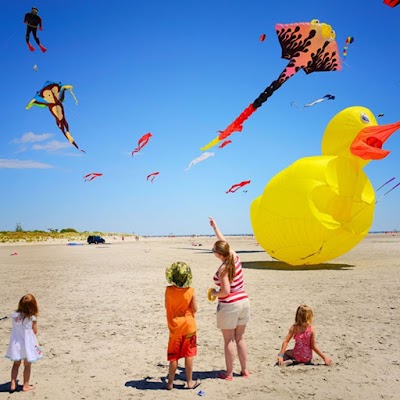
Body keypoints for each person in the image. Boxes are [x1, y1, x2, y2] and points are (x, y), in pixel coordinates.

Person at [208, 217, 250, 380]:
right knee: (240, 338)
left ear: (219, 254)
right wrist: (215, 227)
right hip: (244, 302)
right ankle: (245, 370)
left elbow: (225, 291)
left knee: (228, 341)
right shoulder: (234, 256)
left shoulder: (224, 268)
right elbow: (223, 241)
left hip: (230, 305)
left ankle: (229, 373)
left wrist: (214, 293)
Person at [165, 261, 200, 390]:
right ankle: (190, 382)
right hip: (189, 326)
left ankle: (170, 383)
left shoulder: (168, 290)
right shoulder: (191, 290)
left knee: (173, 356)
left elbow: (167, 306)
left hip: (175, 327)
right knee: (189, 354)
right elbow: (195, 309)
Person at [5, 294, 43, 392]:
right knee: (27, 365)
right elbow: (35, 331)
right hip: (27, 345)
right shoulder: (32, 318)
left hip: (16, 344)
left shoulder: (14, 316)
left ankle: (13, 384)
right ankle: (25, 385)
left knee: (16, 364)